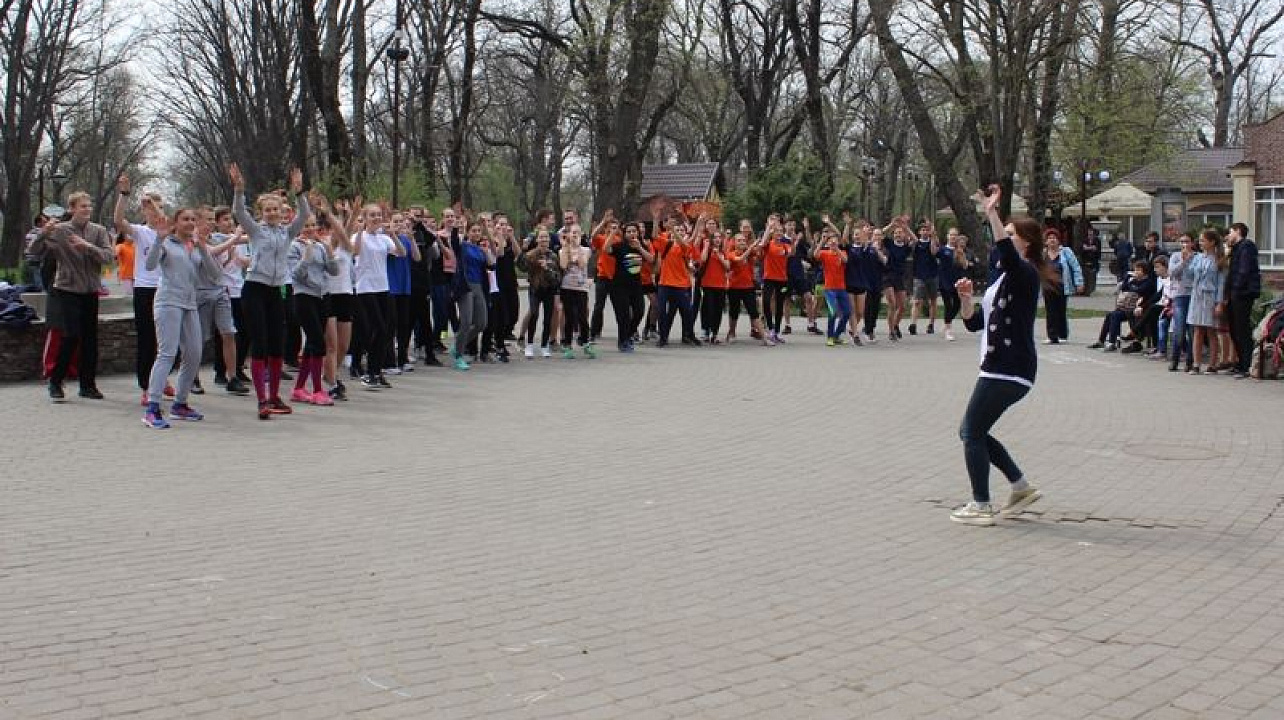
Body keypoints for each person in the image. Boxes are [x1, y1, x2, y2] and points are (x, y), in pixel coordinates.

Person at [951, 186, 1049, 526]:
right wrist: (965, 299)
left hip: (1008, 369)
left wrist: (991, 214)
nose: (1003, 239)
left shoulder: (1025, 273)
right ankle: (1021, 487)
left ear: (1026, 243)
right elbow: (976, 322)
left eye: (1010, 235)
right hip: (1000, 368)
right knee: (973, 431)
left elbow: (1005, 253)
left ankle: (981, 505)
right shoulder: (1003, 278)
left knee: (971, 432)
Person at [228, 163, 310, 420]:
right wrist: (239, 189)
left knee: (277, 344)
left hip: (278, 290)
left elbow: (304, 214)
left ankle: (275, 395)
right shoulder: (255, 230)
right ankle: (261, 399)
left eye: (277, 210)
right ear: (262, 213)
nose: (273, 213)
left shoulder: (288, 233)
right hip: (255, 288)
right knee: (260, 344)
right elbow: (238, 212)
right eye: (268, 210)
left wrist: (299, 192)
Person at [140, 208, 222, 428]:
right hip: (168, 302)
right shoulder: (167, 243)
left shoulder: (195, 246)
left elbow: (215, 275)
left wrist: (203, 247)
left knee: (194, 354)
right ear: (175, 222)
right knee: (167, 353)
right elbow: (149, 265)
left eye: (193, 219)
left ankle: (180, 404)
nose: (190, 223)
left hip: (189, 303)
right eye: (185, 219)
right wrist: (159, 239)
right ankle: (153, 407)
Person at [30, 192, 115, 402]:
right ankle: (56, 381)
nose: (87, 209)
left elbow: (108, 257)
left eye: (89, 206)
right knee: (70, 336)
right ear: (72, 209)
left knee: (90, 339)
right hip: (67, 289)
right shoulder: (61, 230)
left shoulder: (98, 231)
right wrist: (43, 233)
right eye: (82, 206)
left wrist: (87, 246)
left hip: (90, 290)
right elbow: (34, 251)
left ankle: (88, 385)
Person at [113, 176, 170, 401]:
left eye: (158, 207)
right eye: (149, 209)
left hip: (166, 289)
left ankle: (162, 379)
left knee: (166, 340)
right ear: (143, 212)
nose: (155, 212)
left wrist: (153, 204)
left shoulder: (170, 231)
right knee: (147, 338)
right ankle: (147, 386)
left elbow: (164, 219)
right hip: (145, 288)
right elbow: (118, 221)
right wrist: (124, 195)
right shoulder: (140, 232)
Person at [287, 213, 341, 405]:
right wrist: (307, 255)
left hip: (322, 297)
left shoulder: (320, 246)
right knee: (318, 343)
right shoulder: (293, 246)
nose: (310, 229)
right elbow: (296, 275)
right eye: (305, 225)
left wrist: (329, 251)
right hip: (304, 297)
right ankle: (318, 390)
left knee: (312, 344)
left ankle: (299, 388)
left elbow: (334, 272)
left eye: (312, 225)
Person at [351, 204, 406, 388]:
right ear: (365, 218)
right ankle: (369, 371)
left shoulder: (384, 239)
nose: (376, 218)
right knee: (378, 329)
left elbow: (401, 253)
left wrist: (393, 235)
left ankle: (376, 371)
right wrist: (359, 232)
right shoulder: (359, 236)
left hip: (383, 288)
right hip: (365, 288)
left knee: (387, 331)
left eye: (378, 215)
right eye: (372, 215)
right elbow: (355, 251)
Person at [452, 220, 497, 370]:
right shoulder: (463, 247)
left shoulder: (480, 249)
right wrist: (456, 228)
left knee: (481, 323)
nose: (476, 233)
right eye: (473, 231)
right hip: (465, 286)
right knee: (465, 322)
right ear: (468, 232)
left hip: (479, 287)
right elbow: (454, 243)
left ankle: (459, 343)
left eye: (479, 231)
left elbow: (492, 264)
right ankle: (458, 356)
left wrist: (486, 251)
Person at [1187, 229, 1228, 375]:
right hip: (1197, 295)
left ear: (1212, 242)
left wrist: (1219, 302)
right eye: (1200, 240)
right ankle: (1196, 363)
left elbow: (1221, 282)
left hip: (1210, 297)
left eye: (1203, 240)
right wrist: (1189, 260)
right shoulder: (1198, 257)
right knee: (1198, 330)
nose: (1200, 243)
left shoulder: (1218, 259)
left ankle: (1212, 364)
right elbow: (1190, 274)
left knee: (1211, 330)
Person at [608, 222, 653, 352]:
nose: (632, 234)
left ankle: (628, 335)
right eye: (629, 232)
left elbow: (650, 259)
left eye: (634, 231)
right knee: (624, 315)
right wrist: (612, 233)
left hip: (636, 285)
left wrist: (639, 248)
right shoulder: (620, 246)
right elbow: (606, 249)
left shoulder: (641, 245)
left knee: (639, 311)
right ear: (624, 234)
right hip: (619, 286)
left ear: (638, 233)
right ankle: (623, 341)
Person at [1224, 222, 1261, 378]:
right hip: (1234, 293)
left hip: (1243, 294)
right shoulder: (1236, 248)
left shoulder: (1247, 246)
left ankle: (1246, 365)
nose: (1228, 236)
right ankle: (1240, 362)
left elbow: (1243, 271)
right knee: (1233, 328)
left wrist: (1236, 290)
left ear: (1238, 231)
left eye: (1230, 232)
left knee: (1241, 328)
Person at [558, 223, 596, 358]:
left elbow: (582, 264)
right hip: (567, 287)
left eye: (577, 233)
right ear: (568, 235)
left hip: (581, 288)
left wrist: (578, 247)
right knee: (569, 317)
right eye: (572, 233)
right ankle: (568, 345)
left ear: (581, 235)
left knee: (582, 317)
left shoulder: (586, 250)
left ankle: (585, 343)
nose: (574, 235)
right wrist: (567, 247)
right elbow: (563, 265)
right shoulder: (562, 250)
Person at [522, 228, 561, 358]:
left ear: (549, 240)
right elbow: (521, 266)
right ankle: (529, 344)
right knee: (534, 314)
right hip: (535, 289)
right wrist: (523, 250)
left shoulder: (553, 256)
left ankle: (545, 345)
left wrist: (547, 268)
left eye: (546, 237)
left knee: (548, 318)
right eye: (541, 237)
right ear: (537, 239)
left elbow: (557, 276)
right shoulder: (531, 254)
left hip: (549, 290)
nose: (544, 240)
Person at [1042, 229, 1084, 344]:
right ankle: (1051, 336)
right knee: (1050, 311)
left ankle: (1062, 334)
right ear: (1046, 241)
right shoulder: (1043, 254)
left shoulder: (1066, 252)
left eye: (1054, 238)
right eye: (1049, 238)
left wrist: (1079, 282)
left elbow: (1076, 267)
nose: (1052, 240)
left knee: (1061, 310)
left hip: (1062, 286)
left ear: (1058, 241)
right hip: (1048, 287)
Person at [814, 229, 850, 346]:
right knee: (832, 312)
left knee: (847, 312)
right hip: (829, 289)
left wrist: (837, 249)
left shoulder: (842, 253)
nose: (833, 242)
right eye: (831, 241)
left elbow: (845, 260)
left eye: (835, 240)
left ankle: (836, 335)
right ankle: (830, 337)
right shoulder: (825, 253)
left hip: (841, 288)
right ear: (828, 243)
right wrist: (822, 242)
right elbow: (815, 255)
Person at [1166, 234, 1195, 373]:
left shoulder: (1197, 257)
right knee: (1179, 329)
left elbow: (1196, 274)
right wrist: (1183, 261)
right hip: (1179, 295)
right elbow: (1172, 273)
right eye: (1182, 241)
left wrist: (1190, 259)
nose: (1184, 244)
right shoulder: (1175, 256)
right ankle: (1175, 359)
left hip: (1194, 296)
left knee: (1192, 330)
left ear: (1192, 243)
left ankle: (1190, 361)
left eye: (1187, 241)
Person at [937, 229, 972, 343]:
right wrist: (933, 235)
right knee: (948, 304)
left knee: (957, 304)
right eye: (951, 235)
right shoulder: (943, 249)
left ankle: (947, 322)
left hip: (957, 281)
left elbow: (965, 266)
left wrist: (962, 256)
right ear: (947, 236)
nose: (953, 237)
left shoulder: (960, 250)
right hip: (944, 281)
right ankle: (948, 329)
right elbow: (934, 251)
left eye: (955, 235)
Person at [908, 222, 940, 336]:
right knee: (917, 301)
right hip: (919, 276)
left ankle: (931, 324)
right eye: (923, 230)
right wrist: (906, 226)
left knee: (933, 301)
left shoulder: (934, 241)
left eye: (927, 230)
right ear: (919, 232)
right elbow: (912, 240)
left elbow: (934, 252)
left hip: (932, 274)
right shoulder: (916, 243)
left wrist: (933, 235)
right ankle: (913, 324)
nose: (925, 232)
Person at [1080, 228, 1102, 295]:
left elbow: (1097, 249)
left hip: (1094, 260)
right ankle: (1086, 290)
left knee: (1093, 275)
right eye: (1089, 234)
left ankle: (1092, 289)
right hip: (1085, 260)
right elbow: (1082, 249)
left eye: (1091, 234)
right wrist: (1091, 248)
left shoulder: (1097, 240)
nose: (1090, 235)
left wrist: (1088, 248)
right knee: (1086, 276)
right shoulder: (1084, 240)